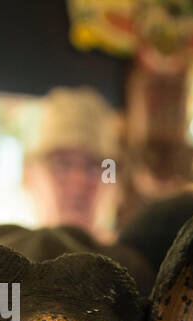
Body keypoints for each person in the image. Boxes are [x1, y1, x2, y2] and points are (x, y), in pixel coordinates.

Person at [23, 87, 121, 240]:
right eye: (62, 164)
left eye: (93, 167)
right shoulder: (4, 261)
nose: (78, 182)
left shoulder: (130, 262)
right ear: (29, 176)